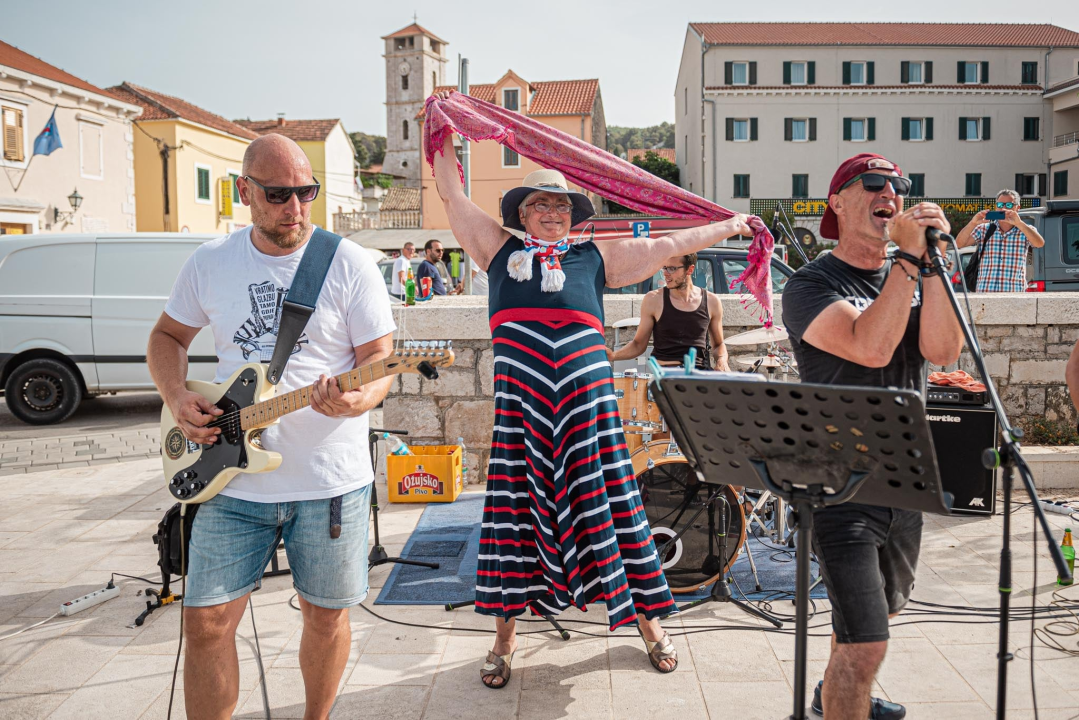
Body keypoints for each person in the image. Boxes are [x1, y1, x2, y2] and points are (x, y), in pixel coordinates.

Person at [431, 89, 754, 689]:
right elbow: (450, 190)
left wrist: (731, 224)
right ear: (522, 212)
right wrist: (443, 128)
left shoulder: (596, 258)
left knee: (615, 517)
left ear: (573, 213)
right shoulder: (495, 250)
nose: (550, 212)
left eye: (560, 204)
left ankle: (653, 628)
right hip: (522, 418)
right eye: (538, 204)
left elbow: (670, 245)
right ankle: (503, 643)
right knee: (512, 521)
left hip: (588, 415)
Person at [147, 134, 396, 720]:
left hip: (329, 482)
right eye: (279, 194)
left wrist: (360, 400)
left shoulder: (348, 261)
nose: (295, 208)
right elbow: (166, 338)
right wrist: (177, 394)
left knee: (326, 617)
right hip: (230, 485)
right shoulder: (211, 262)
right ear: (245, 192)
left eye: (305, 192)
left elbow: (381, 362)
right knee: (205, 622)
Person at [782, 153, 964, 720]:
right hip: (839, 484)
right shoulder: (812, 283)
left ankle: (831, 699)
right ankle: (845, 693)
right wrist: (909, 259)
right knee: (867, 645)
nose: (892, 194)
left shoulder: (912, 269)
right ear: (838, 201)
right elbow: (869, 347)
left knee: (869, 620)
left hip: (904, 478)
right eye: (875, 185)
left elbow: (943, 352)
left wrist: (933, 266)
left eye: (899, 187)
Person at [607, 252, 730, 371]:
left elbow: (718, 345)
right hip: (665, 376)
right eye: (664, 268)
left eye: (672, 268)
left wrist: (722, 361)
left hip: (698, 376)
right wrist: (613, 356)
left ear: (690, 270)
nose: (665, 273)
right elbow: (638, 344)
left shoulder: (712, 301)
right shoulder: (653, 300)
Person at [955, 189, 1045, 292]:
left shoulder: (1025, 230)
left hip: (1014, 294)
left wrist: (1019, 223)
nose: (1003, 208)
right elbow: (959, 244)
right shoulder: (984, 229)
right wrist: (973, 223)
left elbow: (1039, 243)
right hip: (985, 292)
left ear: (1017, 208)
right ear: (995, 206)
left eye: (1009, 205)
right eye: (1000, 205)